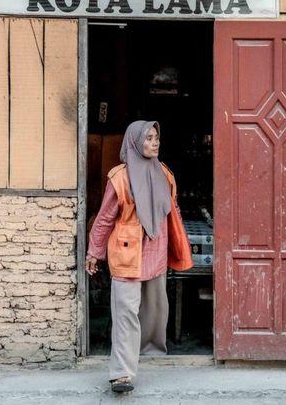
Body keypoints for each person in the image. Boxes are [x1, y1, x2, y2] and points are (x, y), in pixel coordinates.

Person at [85, 120, 193, 393]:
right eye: (148, 138)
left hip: (155, 252)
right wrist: (94, 252)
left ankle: (147, 353)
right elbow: (105, 218)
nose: (154, 142)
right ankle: (122, 374)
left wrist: (180, 248)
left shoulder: (165, 174)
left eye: (156, 137)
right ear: (134, 142)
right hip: (126, 253)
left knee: (154, 311)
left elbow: (173, 214)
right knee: (126, 313)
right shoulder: (119, 177)